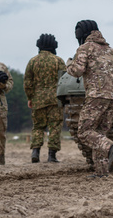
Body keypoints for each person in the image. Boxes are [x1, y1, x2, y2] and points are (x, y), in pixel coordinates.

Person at [67, 20, 113, 177]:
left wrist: (68, 64)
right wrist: (111, 87)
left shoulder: (85, 48)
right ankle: (102, 172)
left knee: (85, 132)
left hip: (96, 96)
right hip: (112, 97)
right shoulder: (110, 51)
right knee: (99, 133)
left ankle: (110, 147)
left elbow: (78, 70)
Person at [24, 34, 66, 163]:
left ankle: (35, 152)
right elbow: (64, 80)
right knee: (55, 126)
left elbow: (27, 82)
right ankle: (51, 155)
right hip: (55, 99)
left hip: (38, 100)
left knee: (38, 127)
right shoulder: (58, 61)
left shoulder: (32, 61)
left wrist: (30, 97)